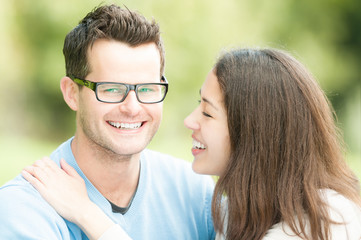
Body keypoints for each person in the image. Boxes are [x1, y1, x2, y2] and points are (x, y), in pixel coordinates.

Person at [23, 48, 361, 240]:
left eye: (208, 113)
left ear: (252, 132)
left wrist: (87, 214)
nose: (189, 121)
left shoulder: (326, 221)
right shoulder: (235, 213)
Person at [0, 4, 216, 240]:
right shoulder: (23, 210)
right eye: (111, 89)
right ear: (72, 93)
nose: (132, 108)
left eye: (147, 88)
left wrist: (90, 216)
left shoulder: (196, 193)